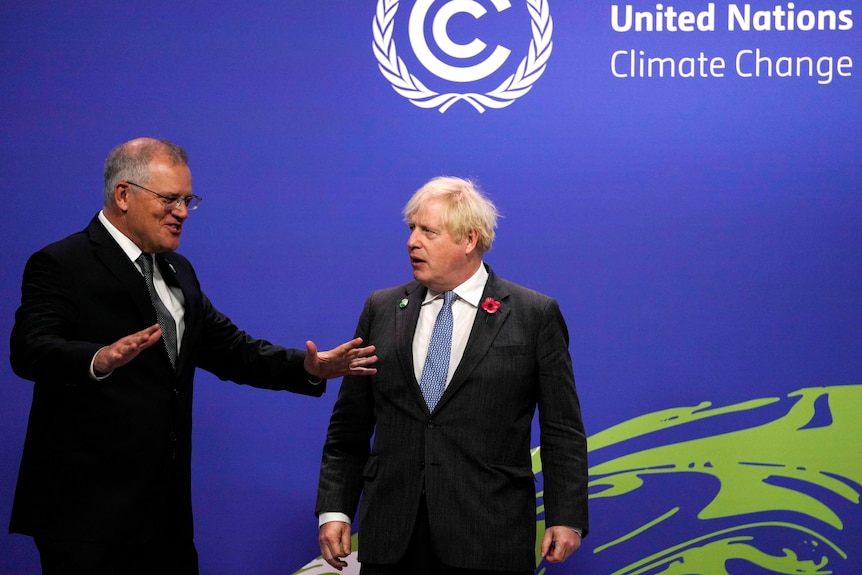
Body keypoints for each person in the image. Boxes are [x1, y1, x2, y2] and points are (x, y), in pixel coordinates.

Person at [8, 137, 378, 575]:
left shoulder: (177, 270)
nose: (182, 212)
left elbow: (231, 349)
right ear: (123, 195)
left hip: (165, 518)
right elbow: (29, 349)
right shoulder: (61, 262)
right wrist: (98, 359)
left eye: (187, 200)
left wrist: (309, 367)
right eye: (169, 199)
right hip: (85, 515)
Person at [315, 176, 588, 575]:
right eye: (411, 229)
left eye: (428, 231)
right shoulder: (382, 307)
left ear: (468, 240)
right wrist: (334, 508)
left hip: (489, 534)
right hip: (392, 537)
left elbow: (561, 429)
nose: (412, 241)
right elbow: (349, 426)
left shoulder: (533, 314)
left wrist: (566, 515)